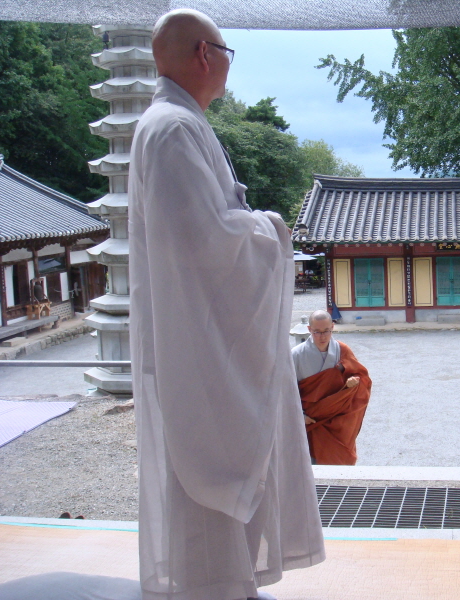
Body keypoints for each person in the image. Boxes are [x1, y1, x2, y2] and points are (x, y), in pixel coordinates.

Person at [128, 9, 324, 600]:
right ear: (204, 55)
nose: (228, 66)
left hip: (206, 341)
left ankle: (228, 587)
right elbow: (205, 242)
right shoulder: (171, 129)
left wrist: (249, 227)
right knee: (208, 481)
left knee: (225, 482)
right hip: (201, 349)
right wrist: (271, 228)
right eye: (226, 53)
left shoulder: (179, 123)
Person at [292, 310, 371, 465]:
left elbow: (361, 377)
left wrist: (353, 382)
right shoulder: (296, 355)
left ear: (332, 327)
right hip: (311, 419)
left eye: (326, 331)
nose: (322, 336)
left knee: (340, 458)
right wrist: (299, 415)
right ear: (309, 329)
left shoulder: (342, 350)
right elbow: (287, 390)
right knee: (311, 461)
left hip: (337, 418)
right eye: (317, 332)